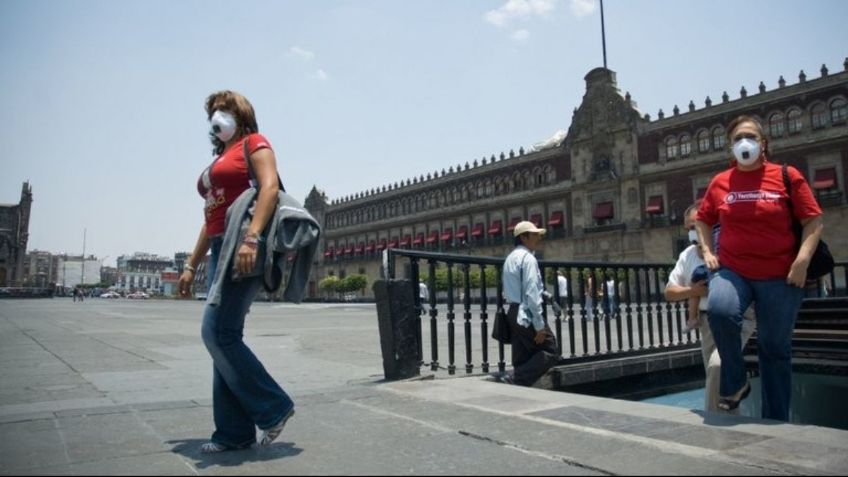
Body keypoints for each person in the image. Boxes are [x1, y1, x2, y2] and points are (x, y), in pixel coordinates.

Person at [178, 90, 295, 453]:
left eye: (224, 109)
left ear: (240, 114)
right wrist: (190, 264)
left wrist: (251, 238)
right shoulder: (220, 158)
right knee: (224, 340)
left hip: (239, 246)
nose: (217, 115)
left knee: (217, 333)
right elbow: (210, 218)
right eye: (213, 111)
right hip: (218, 247)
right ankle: (233, 433)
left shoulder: (255, 143)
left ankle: (274, 407)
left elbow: (270, 188)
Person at [696, 115, 824, 420]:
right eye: (739, 137)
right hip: (733, 269)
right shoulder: (720, 182)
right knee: (720, 310)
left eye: (751, 136)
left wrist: (802, 261)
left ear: (763, 143)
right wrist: (707, 251)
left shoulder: (786, 176)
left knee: (774, 348)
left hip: (780, 275)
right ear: (731, 146)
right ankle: (736, 382)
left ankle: (776, 420)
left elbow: (813, 220)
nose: (745, 142)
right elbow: (703, 218)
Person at [665, 203, 756, 413]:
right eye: (689, 228)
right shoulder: (687, 255)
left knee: (717, 366)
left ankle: (711, 422)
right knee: (715, 377)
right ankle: (730, 425)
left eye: (697, 226)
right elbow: (669, 293)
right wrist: (695, 291)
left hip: (736, 317)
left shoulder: (729, 247)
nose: (693, 232)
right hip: (707, 321)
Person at [500, 221, 559, 386]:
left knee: (522, 353)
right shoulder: (529, 259)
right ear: (524, 237)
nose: (538, 238)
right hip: (525, 313)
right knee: (550, 349)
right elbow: (531, 293)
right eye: (534, 235)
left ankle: (519, 385)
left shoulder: (510, 258)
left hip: (512, 311)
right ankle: (514, 380)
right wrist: (539, 325)